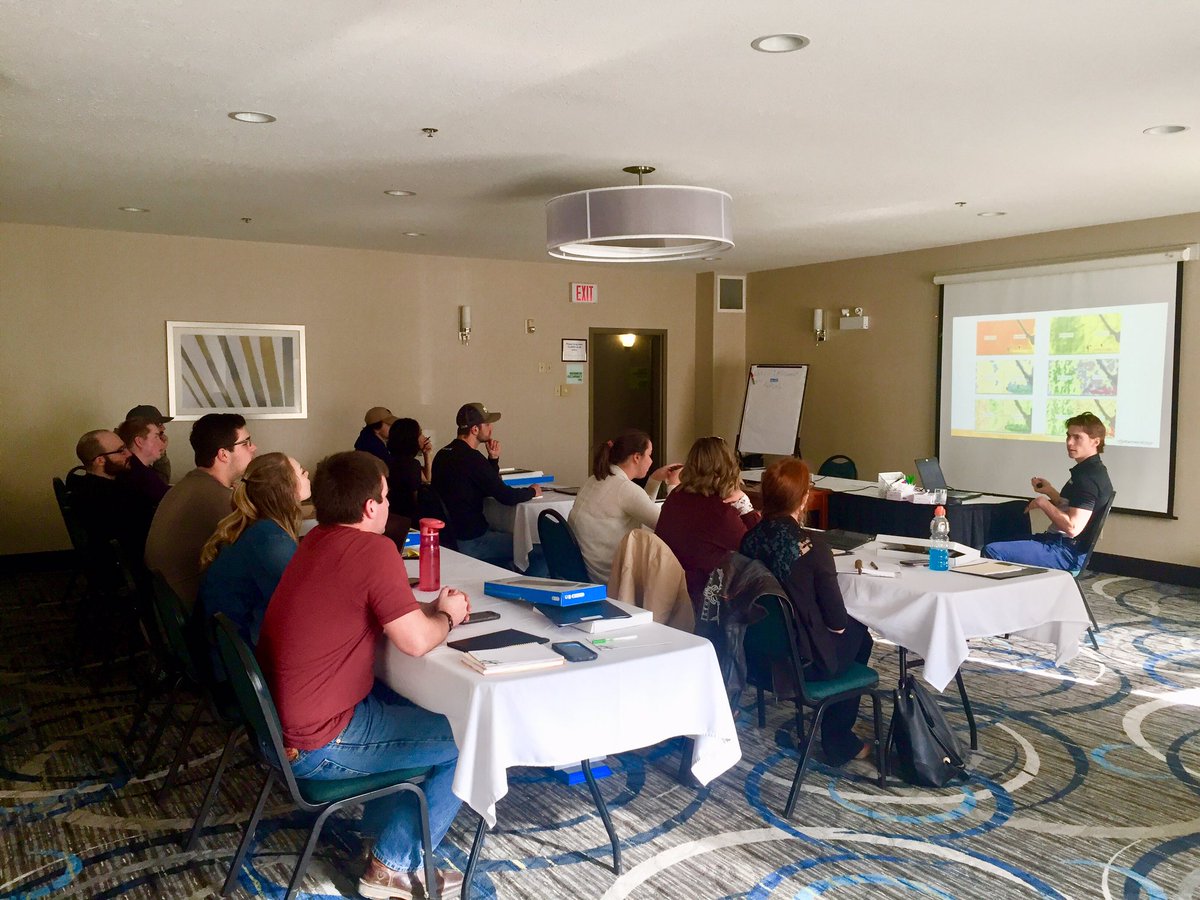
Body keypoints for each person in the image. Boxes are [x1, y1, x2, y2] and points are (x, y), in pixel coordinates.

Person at [256, 451, 468, 899]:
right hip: (317, 742)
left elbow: (368, 611)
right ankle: (391, 866)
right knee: (468, 740)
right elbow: (413, 642)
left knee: (404, 703)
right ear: (371, 507)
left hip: (276, 731)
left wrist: (424, 611)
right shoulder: (374, 549)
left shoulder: (313, 540)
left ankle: (382, 833)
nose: (390, 505)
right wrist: (446, 617)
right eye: (387, 497)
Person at [739, 457, 873, 767]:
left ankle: (833, 724)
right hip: (802, 662)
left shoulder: (747, 541)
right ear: (803, 499)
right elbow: (837, 624)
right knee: (860, 635)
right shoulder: (813, 547)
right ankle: (838, 737)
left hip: (758, 658)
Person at [196, 452, 309, 663]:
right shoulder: (270, 541)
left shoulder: (255, 527)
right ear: (287, 489)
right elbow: (300, 610)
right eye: (301, 472)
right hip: (237, 662)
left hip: (225, 650)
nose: (307, 474)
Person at [144, 413, 256, 607]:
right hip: (193, 614)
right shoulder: (217, 498)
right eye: (246, 442)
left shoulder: (191, 484)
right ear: (223, 454)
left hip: (165, 609)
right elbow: (255, 555)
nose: (253, 448)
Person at [983, 411, 1115, 570]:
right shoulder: (1089, 471)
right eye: (1068, 436)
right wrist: (1050, 491)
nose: (1069, 443)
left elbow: (1073, 528)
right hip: (1058, 543)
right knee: (1002, 539)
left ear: (1096, 441)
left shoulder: (1088, 479)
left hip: (1066, 552)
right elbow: (1070, 506)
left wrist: (1043, 503)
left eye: (1077, 437)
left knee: (992, 551)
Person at [431, 402, 541, 568]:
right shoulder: (472, 459)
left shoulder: (442, 454)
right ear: (475, 429)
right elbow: (506, 496)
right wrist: (532, 491)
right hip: (473, 541)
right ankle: (530, 589)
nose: (491, 428)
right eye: (487, 424)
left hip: (448, 538)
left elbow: (485, 484)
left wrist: (493, 459)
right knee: (537, 548)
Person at [656, 435, 762, 603]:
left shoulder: (674, 498)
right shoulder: (720, 514)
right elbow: (755, 546)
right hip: (704, 599)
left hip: (667, 590)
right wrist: (744, 504)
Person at [568, 429, 681, 584]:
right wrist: (673, 486)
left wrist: (654, 479)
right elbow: (668, 526)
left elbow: (640, 507)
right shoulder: (624, 489)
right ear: (636, 457)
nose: (651, 461)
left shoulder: (595, 479)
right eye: (649, 455)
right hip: (609, 577)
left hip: (586, 569)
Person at [65, 429, 140, 563]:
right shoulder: (106, 496)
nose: (129, 453)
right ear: (100, 460)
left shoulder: (85, 484)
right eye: (121, 450)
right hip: (124, 563)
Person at [385, 417, 432, 531]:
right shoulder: (411, 465)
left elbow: (426, 478)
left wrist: (426, 454)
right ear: (411, 439)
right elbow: (427, 480)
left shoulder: (388, 460)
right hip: (408, 521)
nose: (423, 437)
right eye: (420, 434)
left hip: (391, 517)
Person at [126, 404, 174, 483]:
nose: (163, 428)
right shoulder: (126, 462)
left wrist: (160, 452)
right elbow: (159, 486)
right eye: (159, 424)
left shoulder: (137, 457)